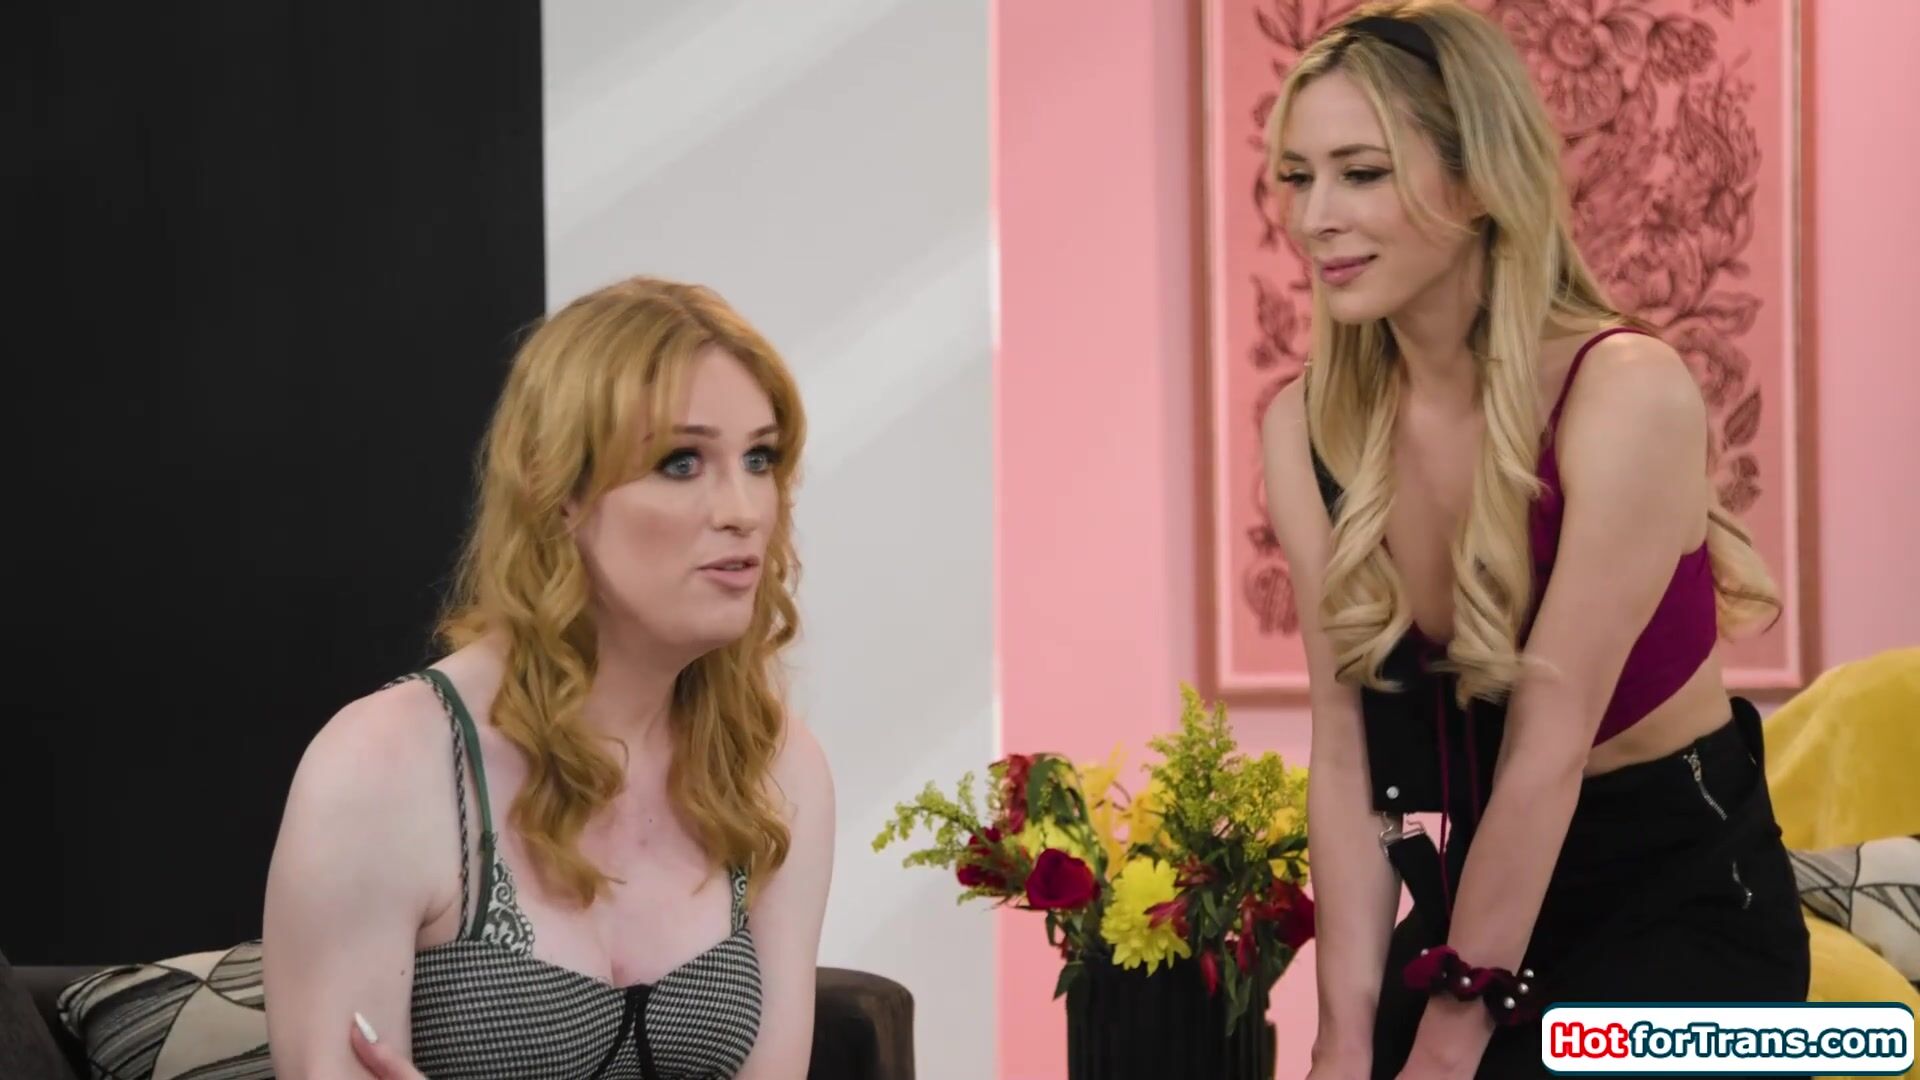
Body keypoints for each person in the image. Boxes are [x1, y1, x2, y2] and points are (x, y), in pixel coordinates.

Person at [1255, 3, 1809, 1078]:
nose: (1315, 217)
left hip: (1685, 910)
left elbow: (1545, 753)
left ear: (1476, 181)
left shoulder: (1625, 392)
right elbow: (1347, 751)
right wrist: (1339, 1042)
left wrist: (1445, 1049)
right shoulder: (1307, 425)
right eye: (1296, 177)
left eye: (1361, 173)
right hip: (1483, 905)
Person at [262, 276, 836, 1079]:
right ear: (558, 490)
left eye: (759, 458)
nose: (743, 509)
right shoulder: (382, 767)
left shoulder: (776, 770)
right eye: (681, 462)